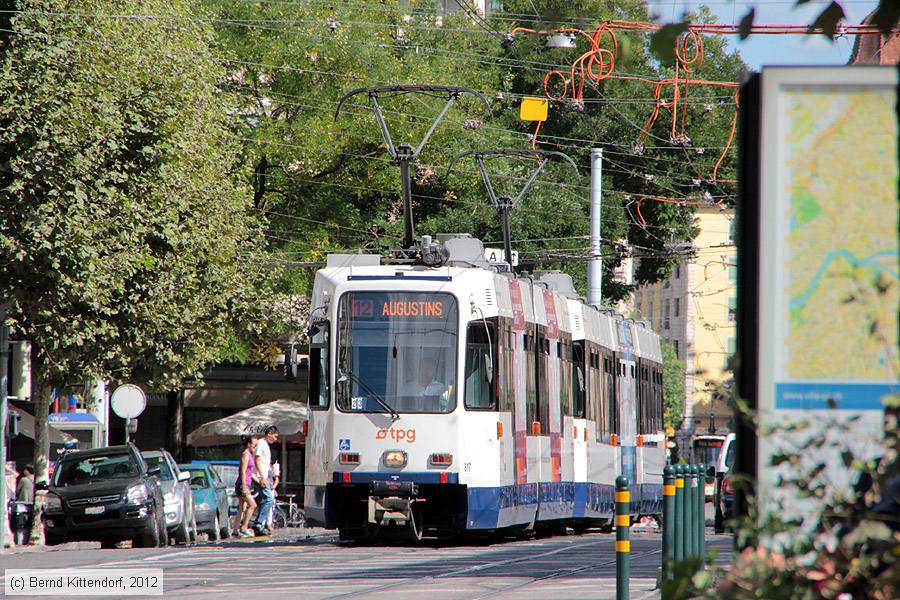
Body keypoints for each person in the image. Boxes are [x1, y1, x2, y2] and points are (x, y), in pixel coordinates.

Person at [251, 425, 279, 536]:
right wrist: (262, 477)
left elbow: (264, 461)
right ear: (269, 434)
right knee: (269, 499)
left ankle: (259, 524)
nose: (276, 439)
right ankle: (258, 523)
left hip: (264, 476)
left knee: (264, 500)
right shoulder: (261, 444)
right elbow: (257, 460)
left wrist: (271, 468)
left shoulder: (265, 445)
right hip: (259, 477)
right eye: (275, 436)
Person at [234, 436, 257, 538]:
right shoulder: (246, 455)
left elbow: (250, 473)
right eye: (254, 445)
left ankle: (235, 530)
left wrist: (259, 481)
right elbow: (242, 471)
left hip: (246, 483)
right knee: (252, 505)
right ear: (248, 444)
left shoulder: (249, 455)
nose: (255, 447)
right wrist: (244, 486)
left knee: (241, 508)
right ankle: (244, 527)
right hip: (242, 484)